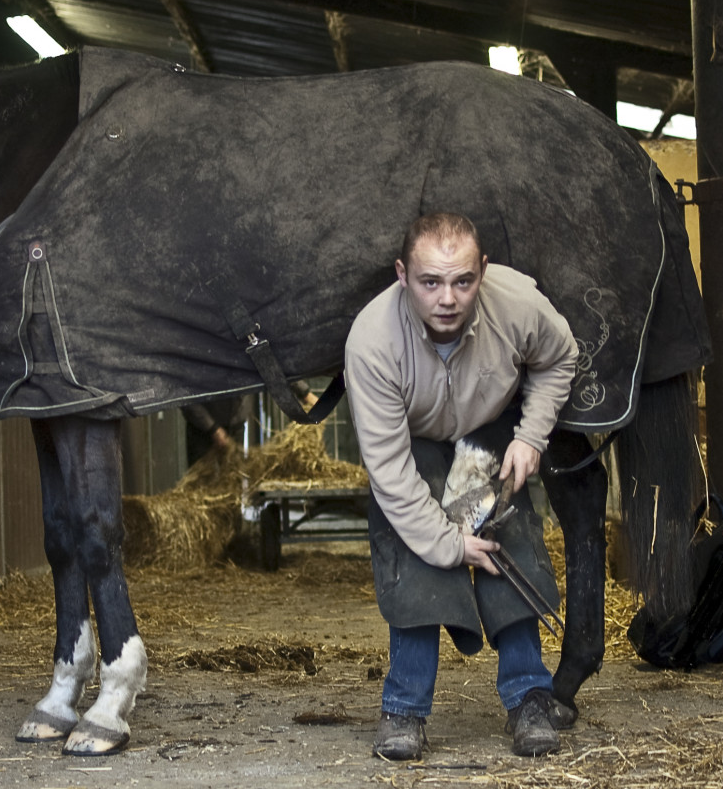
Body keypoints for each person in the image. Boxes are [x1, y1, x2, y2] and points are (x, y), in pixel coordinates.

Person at [344, 212, 578, 759]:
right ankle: (404, 708)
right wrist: (450, 544)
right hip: (416, 440)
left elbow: (559, 357)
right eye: (430, 282)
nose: (447, 298)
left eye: (463, 281)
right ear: (403, 275)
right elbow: (390, 473)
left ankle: (529, 697)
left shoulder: (517, 304)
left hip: (490, 425)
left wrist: (531, 436)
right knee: (416, 552)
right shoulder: (372, 341)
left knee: (509, 542)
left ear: (483, 272)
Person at [182, 382, 319, 466]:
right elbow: (184, 392)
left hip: (236, 426)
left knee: (233, 484)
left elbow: (273, 362)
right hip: (203, 429)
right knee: (201, 486)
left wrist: (305, 393)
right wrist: (212, 428)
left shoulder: (250, 340)